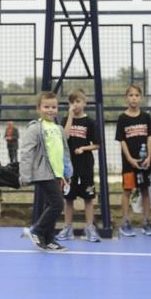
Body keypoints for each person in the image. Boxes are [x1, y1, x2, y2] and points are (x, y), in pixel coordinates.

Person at [19, 91, 72, 252]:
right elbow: (26, 152)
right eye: (46, 107)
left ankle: (49, 239)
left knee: (51, 205)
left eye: (53, 107)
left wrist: (67, 173)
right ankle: (37, 231)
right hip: (43, 173)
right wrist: (25, 175)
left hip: (57, 174)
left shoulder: (59, 129)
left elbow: (64, 152)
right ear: (39, 109)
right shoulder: (35, 128)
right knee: (57, 204)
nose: (50, 110)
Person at [55, 88, 101, 242]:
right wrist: (70, 116)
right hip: (69, 167)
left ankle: (89, 228)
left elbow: (97, 145)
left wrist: (84, 148)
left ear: (84, 103)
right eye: (72, 102)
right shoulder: (65, 120)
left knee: (88, 197)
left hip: (85, 165)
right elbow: (65, 136)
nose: (75, 105)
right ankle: (68, 227)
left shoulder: (90, 122)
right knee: (68, 198)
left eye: (78, 101)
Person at [115, 84, 151, 237]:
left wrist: (149, 156)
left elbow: (149, 137)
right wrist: (129, 158)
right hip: (129, 163)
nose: (134, 98)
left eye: (137, 95)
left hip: (144, 162)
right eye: (131, 95)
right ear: (127, 98)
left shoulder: (146, 117)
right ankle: (125, 223)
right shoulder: (122, 118)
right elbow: (122, 140)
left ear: (141, 98)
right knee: (127, 191)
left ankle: (146, 222)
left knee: (145, 191)